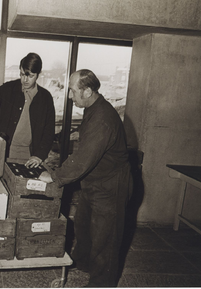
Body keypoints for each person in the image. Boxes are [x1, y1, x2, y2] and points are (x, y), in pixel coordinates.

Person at [39, 69, 133, 287]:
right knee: (83, 226)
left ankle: (101, 283)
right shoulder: (93, 109)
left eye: (73, 91)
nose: (70, 96)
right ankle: (83, 264)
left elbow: (83, 160)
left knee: (105, 240)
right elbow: (83, 152)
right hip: (94, 182)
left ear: (88, 90)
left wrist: (54, 176)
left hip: (111, 186)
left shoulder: (102, 118)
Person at [0, 52, 55, 168]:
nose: (25, 80)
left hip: (30, 156)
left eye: (30, 76)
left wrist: (39, 155)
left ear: (38, 74)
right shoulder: (8, 89)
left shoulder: (46, 98)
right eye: (22, 74)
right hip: (3, 150)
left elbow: (49, 131)